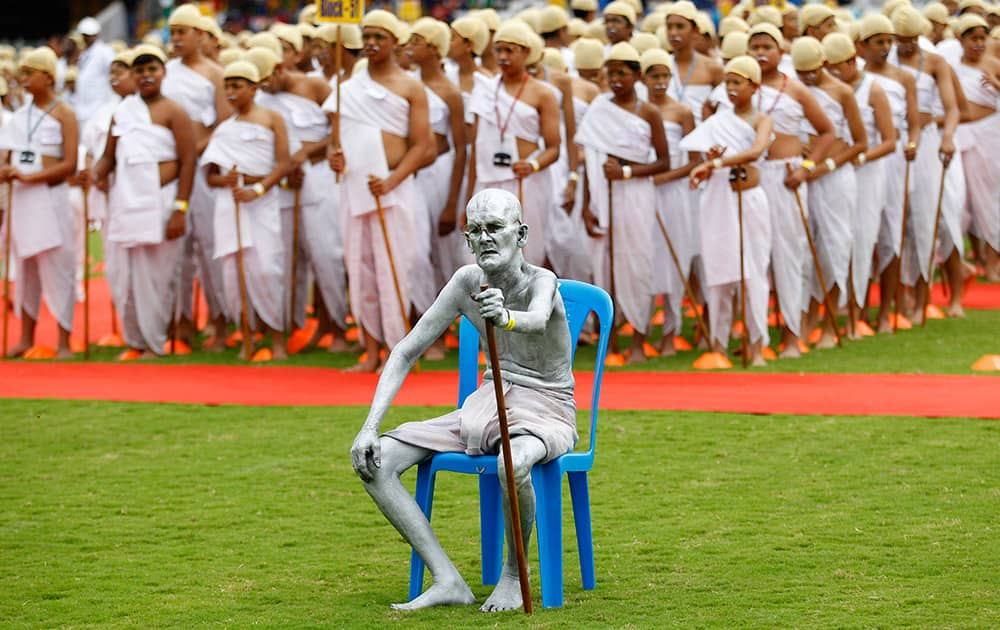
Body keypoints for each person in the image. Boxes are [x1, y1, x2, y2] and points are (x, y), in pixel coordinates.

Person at [350, 188, 577, 613]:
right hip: (484, 406)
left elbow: (536, 318)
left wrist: (504, 316)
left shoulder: (541, 280)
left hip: (547, 408)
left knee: (513, 462)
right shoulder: (466, 282)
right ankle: (447, 578)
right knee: (373, 459)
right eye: (475, 231)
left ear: (521, 233)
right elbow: (405, 351)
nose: (485, 238)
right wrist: (368, 426)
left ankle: (513, 574)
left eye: (495, 228)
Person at [327, 10, 433, 373]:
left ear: (395, 42)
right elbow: (335, 144)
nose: (371, 43)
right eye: (366, 36)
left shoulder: (410, 86)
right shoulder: (346, 90)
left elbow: (421, 146)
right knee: (360, 268)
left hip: (395, 189)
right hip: (355, 188)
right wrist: (335, 159)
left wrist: (393, 179)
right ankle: (370, 349)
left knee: (395, 268)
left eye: (379, 37)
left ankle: (398, 351)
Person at [92, 45, 196, 358]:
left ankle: (155, 342)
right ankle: (136, 341)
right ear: (133, 76)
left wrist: (180, 208)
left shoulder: (174, 111)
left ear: (163, 73)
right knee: (126, 277)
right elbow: (108, 158)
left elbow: (188, 160)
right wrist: (93, 173)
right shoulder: (122, 111)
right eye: (139, 71)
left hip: (163, 201)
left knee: (158, 277)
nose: (146, 76)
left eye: (152, 69)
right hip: (127, 202)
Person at [577, 42, 670, 363]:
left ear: (636, 76)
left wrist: (627, 172)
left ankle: (638, 340)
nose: (615, 79)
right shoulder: (599, 108)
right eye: (611, 72)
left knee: (637, 264)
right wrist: (587, 205)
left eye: (622, 73)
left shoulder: (649, 112)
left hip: (636, 195)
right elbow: (589, 162)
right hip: (603, 193)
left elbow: (664, 162)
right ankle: (610, 339)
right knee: (603, 265)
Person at [748, 22, 834, 357]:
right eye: (754, 47)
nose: (760, 53)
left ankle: (792, 337)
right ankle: (756, 339)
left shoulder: (795, 89)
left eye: (767, 47)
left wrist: (807, 168)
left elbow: (826, 131)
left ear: (781, 52)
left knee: (789, 255)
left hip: (786, 179)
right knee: (757, 256)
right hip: (753, 180)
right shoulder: (739, 88)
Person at [682, 56, 773, 367]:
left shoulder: (761, 119)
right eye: (728, 83)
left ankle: (757, 343)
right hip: (719, 203)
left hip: (748, 203)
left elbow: (757, 151)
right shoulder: (718, 122)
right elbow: (704, 163)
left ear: (754, 86)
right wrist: (707, 164)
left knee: (753, 272)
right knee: (720, 272)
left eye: (738, 82)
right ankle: (718, 344)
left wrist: (717, 162)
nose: (731, 89)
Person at [201, 60, 291, 360]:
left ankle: (277, 338)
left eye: (237, 86)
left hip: (262, 204)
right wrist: (224, 180)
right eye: (227, 86)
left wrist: (259, 188)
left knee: (267, 270)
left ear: (254, 88)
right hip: (230, 207)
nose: (231, 92)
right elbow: (210, 176)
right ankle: (247, 338)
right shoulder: (224, 129)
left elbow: (283, 165)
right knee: (233, 274)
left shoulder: (272, 118)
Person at [0, 47, 79, 358]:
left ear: (47, 77)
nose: (22, 78)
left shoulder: (65, 113)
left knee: (58, 267)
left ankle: (62, 340)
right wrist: (7, 172)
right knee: (26, 268)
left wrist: (34, 177)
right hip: (22, 199)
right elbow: (6, 157)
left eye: (29, 72)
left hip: (51, 196)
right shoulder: (18, 117)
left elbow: (70, 163)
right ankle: (25, 337)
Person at [163, 4, 232, 350]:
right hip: (170, 170)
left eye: (182, 32)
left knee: (209, 247)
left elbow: (223, 121)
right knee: (177, 250)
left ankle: (220, 323)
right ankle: (181, 323)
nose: (175, 39)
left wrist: (193, 153)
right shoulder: (165, 72)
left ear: (200, 35)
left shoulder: (216, 74)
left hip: (203, 169)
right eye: (172, 32)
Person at [792, 36, 867, 350]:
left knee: (836, 247)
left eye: (812, 72)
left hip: (835, 178)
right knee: (805, 250)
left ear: (824, 64)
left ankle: (829, 324)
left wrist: (829, 165)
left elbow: (861, 143)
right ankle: (804, 322)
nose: (807, 78)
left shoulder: (842, 92)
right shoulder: (792, 91)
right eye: (801, 73)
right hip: (801, 177)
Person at [821, 32, 899, 337]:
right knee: (837, 239)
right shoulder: (827, 89)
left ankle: (855, 311)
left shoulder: (873, 90)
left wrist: (860, 158)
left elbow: (890, 140)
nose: (833, 72)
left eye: (838, 66)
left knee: (863, 240)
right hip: (835, 172)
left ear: (852, 61)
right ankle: (835, 308)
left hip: (866, 174)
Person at [466, 20, 561, 267]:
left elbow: (554, 147)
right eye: (499, 50)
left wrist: (533, 165)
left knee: (527, 251)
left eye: (511, 50)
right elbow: (475, 148)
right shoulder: (485, 90)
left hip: (526, 182)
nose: (503, 56)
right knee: (486, 254)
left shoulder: (543, 93)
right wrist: (468, 198)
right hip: (488, 180)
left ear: (527, 53)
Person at [892, 5, 960, 326]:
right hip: (892, 144)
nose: (905, 44)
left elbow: (952, 109)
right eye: (899, 38)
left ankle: (923, 298)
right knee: (895, 221)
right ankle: (900, 298)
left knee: (924, 221)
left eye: (910, 38)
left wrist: (947, 137)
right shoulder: (883, 63)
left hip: (927, 145)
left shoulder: (935, 62)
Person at [855, 14, 921, 333]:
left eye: (888, 42)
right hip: (861, 163)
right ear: (862, 46)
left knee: (891, 234)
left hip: (894, 162)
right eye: (878, 42)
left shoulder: (904, 78)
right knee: (862, 234)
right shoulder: (854, 78)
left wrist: (912, 143)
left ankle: (886, 311)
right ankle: (860, 308)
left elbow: (914, 122)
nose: (884, 48)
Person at [642, 48, 700, 356]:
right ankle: (643, 327)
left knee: (675, 259)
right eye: (654, 75)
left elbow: (694, 160)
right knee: (648, 258)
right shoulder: (636, 110)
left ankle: (670, 331)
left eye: (665, 75)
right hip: (643, 192)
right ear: (645, 78)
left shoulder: (682, 112)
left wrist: (664, 177)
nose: (660, 81)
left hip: (674, 193)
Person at [954, 14, 1000, 284]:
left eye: (983, 38)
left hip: (990, 136)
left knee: (992, 200)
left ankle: (993, 263)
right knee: (961, 199)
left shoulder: (994, 64)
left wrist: (995, 84)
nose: (979, 44)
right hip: (962, 136)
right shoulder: (950, 67)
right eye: (973, 38)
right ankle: (960, 261)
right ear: (962, 40)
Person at [665, 2, 725, 124]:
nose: (673, 33)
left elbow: (722, 112)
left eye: (680, 26)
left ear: (695, 30)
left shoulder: (713, 68)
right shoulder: (662, 65)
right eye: (669, 27)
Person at [73, 17, 115, 125]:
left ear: (97, 34)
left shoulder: (105, 51)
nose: (87, 38)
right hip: (83, 108)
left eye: (90, 35)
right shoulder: (83, 54)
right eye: (85, 35)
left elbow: (113, 75)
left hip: (100, 106)